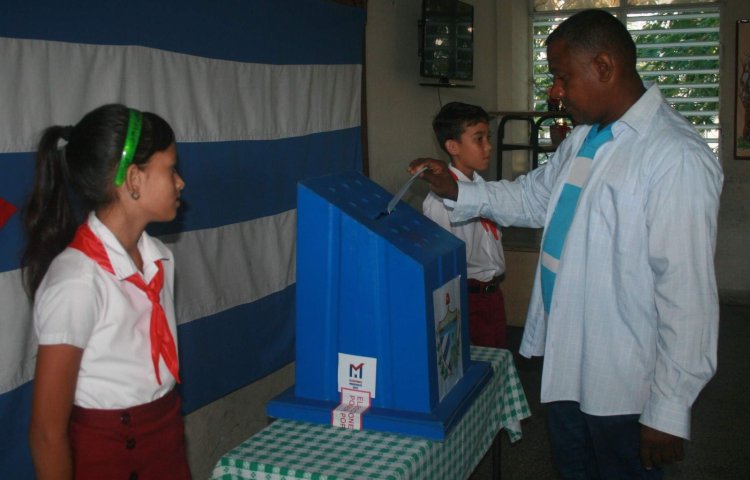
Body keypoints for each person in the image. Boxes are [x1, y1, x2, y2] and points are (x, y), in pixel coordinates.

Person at [409, 9, 722, 479]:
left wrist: (670, 408)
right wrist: (458, 190)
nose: (555, 92)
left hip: (626, 381)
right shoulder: (583, 139)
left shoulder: (674, 157)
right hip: (570, 359)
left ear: (603, 67)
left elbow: (687, 297)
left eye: (561, 76)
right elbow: (532, 198)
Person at [22, 104, 191, 479]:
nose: (180, 182)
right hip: (109, 458)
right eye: (170, 169)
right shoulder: (77, 281)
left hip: (164, 446)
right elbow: (47, 432)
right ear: (133, 179)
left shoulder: (159, 259)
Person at [422, 101, 507, 348]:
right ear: (452, 146)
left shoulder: (484, 190)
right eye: (478, 139)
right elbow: (446, 266)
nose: (488, 146)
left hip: (491, 296)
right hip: (466, 300)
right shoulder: (441, 202)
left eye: (488, 137)